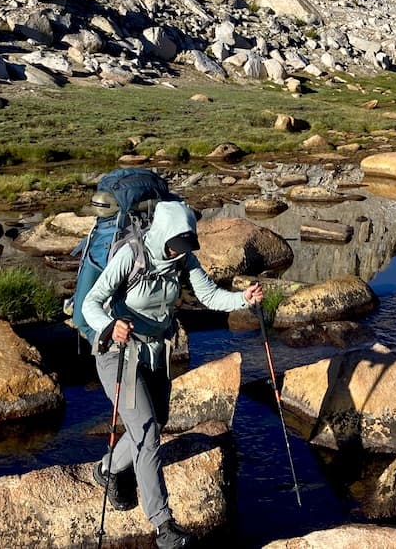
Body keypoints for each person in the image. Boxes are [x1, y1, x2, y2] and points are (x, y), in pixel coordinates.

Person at [83, 200, 263, 549]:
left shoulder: (183, 260)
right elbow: (92, 301)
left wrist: (243, 298)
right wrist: (109, 325)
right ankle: (162, 524)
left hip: (155, 354)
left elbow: (209, 296)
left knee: (157, 421)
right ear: (162, 234)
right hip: (119, 354)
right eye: (174, 245)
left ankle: (107, 469)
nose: (179, 252)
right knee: (147, 431)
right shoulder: (132, 256)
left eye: (184, 245)